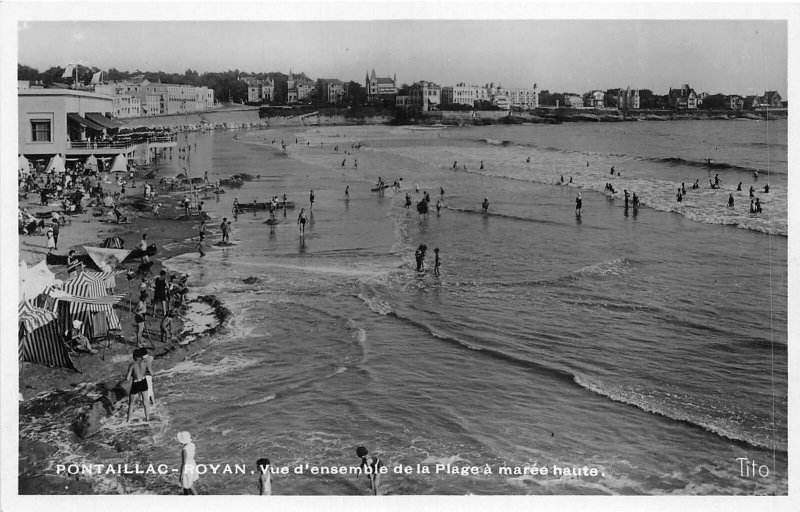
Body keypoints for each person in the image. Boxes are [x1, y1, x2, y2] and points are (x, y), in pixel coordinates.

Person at [126, 348, 150, 422]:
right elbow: (150, 372)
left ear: (135, 356)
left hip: (135, 383)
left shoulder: (132, 365)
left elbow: (127, 378)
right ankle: (148, 419)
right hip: (143, 381)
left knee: (131, 403)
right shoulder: (144, 363)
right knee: (145, 402)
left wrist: (132, 374)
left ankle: (129, 420)